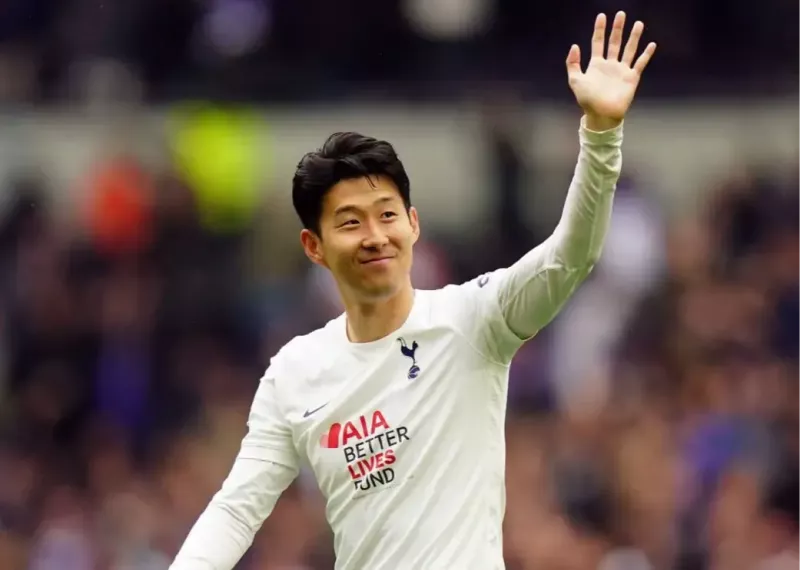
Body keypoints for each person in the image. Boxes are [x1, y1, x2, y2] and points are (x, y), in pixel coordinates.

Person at [170, 11, 657, 570]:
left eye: (387, 215)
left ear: (414, 225)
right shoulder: (295, 373)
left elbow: (571, 256)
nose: (375, 236)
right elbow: (236, 510)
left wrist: (601, 137)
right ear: (314, 247)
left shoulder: (472, 321)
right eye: (350, 222)